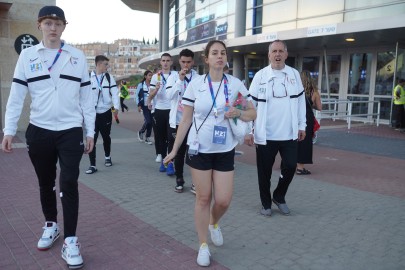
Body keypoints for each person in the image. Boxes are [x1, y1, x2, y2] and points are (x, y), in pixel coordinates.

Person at [1, 6, 95, 269]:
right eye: (48, 23)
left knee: (68, 181)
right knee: (45, 182)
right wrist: (9, 130)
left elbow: (87, 98)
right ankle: (51, 225)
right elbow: (17, 96)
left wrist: (90, 131)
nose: (53, 28)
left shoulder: (76, 56)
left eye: (58, 23)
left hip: (70, 130)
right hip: (39, 130)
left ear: (64, 26)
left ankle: (71, 240)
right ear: (39, 25)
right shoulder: (28, 56)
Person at [164, 40, 256, 267]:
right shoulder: (196, 84)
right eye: (214, 53)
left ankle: (214, 222)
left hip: (225, 149)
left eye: (223, 53)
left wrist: (238, 112)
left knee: (223, 200)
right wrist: (175, 149)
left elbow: (252, 112)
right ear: (206, 59)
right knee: (203, 198)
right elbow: (185, 120)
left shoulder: (235, 85)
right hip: (199, 149)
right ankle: (203, 245)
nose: (219, 56)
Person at [245, 39, 306, 217]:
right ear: (269, 55)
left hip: (289, 134)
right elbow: (250, 105)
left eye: (281, 51)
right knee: (264, 173)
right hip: (265, 135)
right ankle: (265, 203)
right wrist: (250, 130)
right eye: (274, 51)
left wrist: (302, 125)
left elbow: (302, 103)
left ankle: (279, 196)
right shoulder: (260, 76)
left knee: (290, 166)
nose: (277, 54)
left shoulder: (294, 75)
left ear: (286, 54)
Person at [166, 49, 200, 192]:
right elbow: (169, 96)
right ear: (179, 61)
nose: (186, 65)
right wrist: (180, 80)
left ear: (193, 62)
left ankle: (195, 182)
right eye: (183, 62)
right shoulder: (173, 77)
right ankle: (179, 178)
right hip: (177, 121)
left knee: (193, 153)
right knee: (178, 152)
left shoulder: (198, 78)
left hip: (193, 123)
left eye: (189, 62)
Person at [85, 55, 120, 174]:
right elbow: (83, 95)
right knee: (91, 138)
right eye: (106, 64)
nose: (107, 66)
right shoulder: (88, 77)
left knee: (106, 137)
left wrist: (116, 107)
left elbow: (115, 93)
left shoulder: (109, 78)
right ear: (99, 64)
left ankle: (107, 157)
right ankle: (92, 165)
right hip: (92, 114)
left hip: (105, 112)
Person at [147, 53, 177, 172]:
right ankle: (164, 160)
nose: (165, 63)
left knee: (171, 137)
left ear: (171, 62)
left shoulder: (175, 75)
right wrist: (156, 89)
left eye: (167, 60)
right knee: (161, 138)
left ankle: (170, 162)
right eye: (163, 60)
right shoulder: (155, 76)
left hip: (172, 110)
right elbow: (150, 95)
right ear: (160, 62)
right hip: (159, 110)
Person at [296, 70, 322, 175]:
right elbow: (319, 107)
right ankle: (300, 168)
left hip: (295, 117)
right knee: (305, 142)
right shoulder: (314, 92)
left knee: (293, 141)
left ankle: (288, 163)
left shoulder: (295, 89)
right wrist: (312, 105)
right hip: (307, 118)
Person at [136, 70, 154, 145]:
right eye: (149, 75)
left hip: (152, 105)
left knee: (151, 122)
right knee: (148, 121)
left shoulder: (153, 84)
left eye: (151, 75)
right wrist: (139, 105)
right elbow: (137, 95)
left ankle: (147, 137)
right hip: (144, 106)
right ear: (145, 76)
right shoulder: (141, 85)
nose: (151, 77)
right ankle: (141, 131)